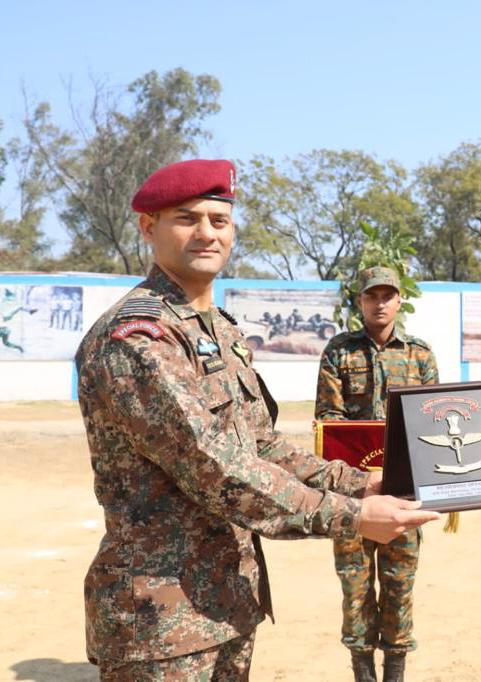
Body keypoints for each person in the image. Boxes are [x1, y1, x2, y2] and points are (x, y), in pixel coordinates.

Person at [75, 159, 438, 681]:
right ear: (148, 227)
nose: (206, 233)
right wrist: (352, 517)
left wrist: (366, 482)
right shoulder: (138, 339)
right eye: (187, 218)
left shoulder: (216, 330)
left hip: (225, 600)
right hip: (160, 620)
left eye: (219, 221)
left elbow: (263, 447)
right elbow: (217, 469)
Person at [316, 266, 438, 682]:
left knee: (400, 582)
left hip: (404, 492)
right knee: (355, 586)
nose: (380, 302)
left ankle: (396, 673)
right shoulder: (339, 351)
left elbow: (432, 420)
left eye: (388, 295)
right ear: (360, 301)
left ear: (400, 300)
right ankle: (363, 672)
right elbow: (328, 421)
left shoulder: (420, 354)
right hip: (353, 494)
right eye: (372, 295)